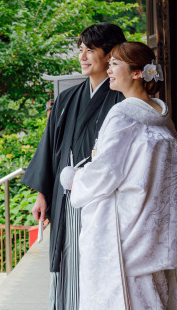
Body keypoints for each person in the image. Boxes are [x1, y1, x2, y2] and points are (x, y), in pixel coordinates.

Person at [69, 41, 177, 310]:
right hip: (156, 229)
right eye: (108, 64)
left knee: (128, 299)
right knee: (155, 297)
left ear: (137, 73)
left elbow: (106, 172)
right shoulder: (162, 116)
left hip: (127, 231)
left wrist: (75, 180)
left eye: (115, 64)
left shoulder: (123, 114)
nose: (109, 70)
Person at [21, 22, 126, 310]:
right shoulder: (67, 99)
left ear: (110, 54)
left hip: (103, 201)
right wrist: (43, 193)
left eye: (90, 50)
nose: (82, 56)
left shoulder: (122, 97)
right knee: (68, 262)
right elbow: (50, 149)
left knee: (98, 266)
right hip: (66, 199)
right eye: (81, 50)